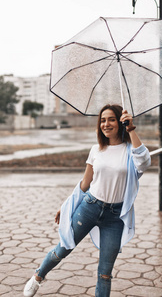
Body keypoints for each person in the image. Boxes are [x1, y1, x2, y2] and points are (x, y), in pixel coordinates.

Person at [23, 104, 151, 297]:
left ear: (120, 121)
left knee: (105, 273)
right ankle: (38, 276)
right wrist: (66, 205)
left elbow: (144, 162)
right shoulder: (96, 150)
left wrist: (131, 129)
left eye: (111, 119)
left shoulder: (130, 150)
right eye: (102, 120)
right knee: (63, 249)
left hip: (115, 217)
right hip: (90, 207)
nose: (106, 124)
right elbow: (85, 183)